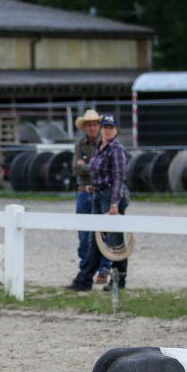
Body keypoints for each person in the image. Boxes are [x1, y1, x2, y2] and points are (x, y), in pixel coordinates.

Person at [66, 114, 129, 291]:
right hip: (99, 194)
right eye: (105, 127)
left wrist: (115, 203)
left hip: (110, 195)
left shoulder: (115, 149)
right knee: (96, 239)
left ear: (116, 130)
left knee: (114, 240)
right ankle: (84, 279)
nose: (107, 130)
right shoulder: (103, 147)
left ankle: (118, 280)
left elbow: (118, 178)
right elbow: (78, 168)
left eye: (111, 127)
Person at [72, 109, 110, 283]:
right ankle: (85, 269)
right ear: (85, 128)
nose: (92, 128)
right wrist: (94, 167)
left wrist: (86, 165)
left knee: (103, 232)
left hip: (100, 192)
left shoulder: (106, 143)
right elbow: (75, 168)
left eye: (95, 124)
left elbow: (105, 169)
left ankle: (103, 269)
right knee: (83, 234)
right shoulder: (80, 144)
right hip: (84, 191)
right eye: (89, 125)